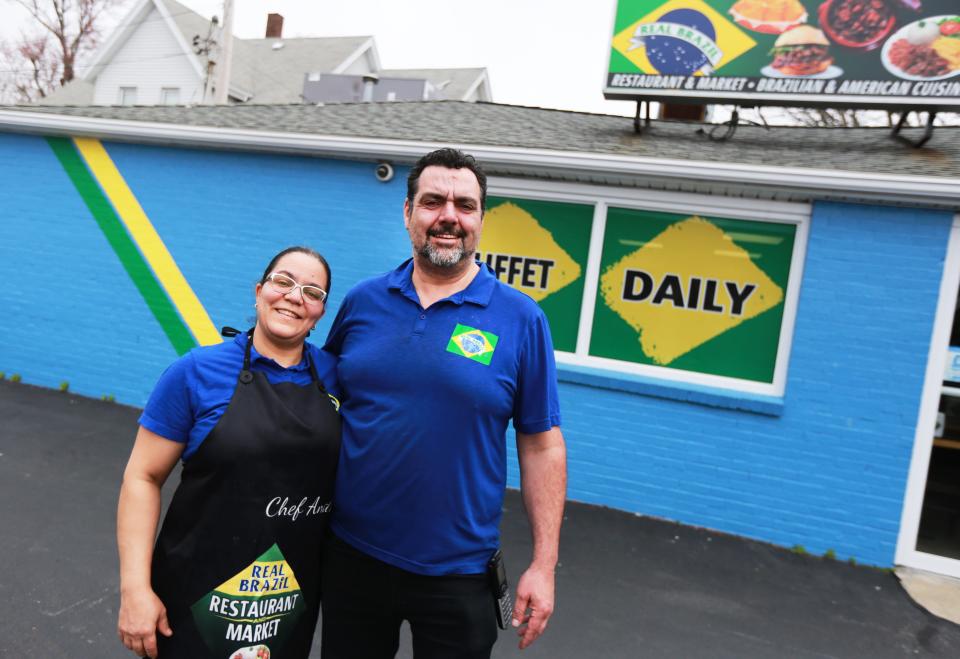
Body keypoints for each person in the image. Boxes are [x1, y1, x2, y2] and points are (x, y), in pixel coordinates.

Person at [321, 148, 567, 658]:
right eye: (433, 202)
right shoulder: (363, 302)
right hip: (352, 557)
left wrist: (543, 566)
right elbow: (320, 403)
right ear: (408, 213)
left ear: (480, 219)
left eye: (464, 205)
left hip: (459, 574)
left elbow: (541, 444)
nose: (448, 216)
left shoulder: (521, 320)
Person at [116, 246, 341, 659]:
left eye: (313, 291)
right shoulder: (194, 372)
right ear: (259, 291)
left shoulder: (337, 377)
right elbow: (142, 477)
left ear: (321, 313)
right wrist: (135, 589)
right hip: (193, 596)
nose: (295, 296)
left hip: (286, 605)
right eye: (284, 281)